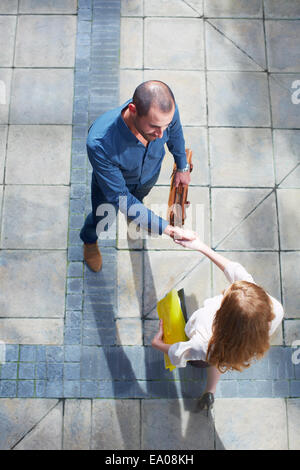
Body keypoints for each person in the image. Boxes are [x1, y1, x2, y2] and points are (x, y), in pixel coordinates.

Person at [151, 231, 284, 414]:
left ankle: (209, 391)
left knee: (209, 359)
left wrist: (157, 343)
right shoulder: (273, 308)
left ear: (224, 314)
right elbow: (235, 270)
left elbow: (179, 351)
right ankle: (210, 391)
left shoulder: (204, 335)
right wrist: (200, 245)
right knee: (220, 359)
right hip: (233, 350)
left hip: (208, 350)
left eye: (225, 295)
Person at [80, 80, 191, 272]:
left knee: (138, 201)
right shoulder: (100, 142)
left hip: (147, 177)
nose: (161, 133)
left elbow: (175, 134)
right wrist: (167, 228)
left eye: (165, 125)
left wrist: (182, 167)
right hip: (112, 188)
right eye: (155, 127)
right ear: (133, 109)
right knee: (102, 218)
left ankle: (138, 217)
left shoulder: (165, 112)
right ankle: (89, 241)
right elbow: (121, 197)